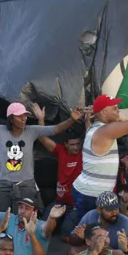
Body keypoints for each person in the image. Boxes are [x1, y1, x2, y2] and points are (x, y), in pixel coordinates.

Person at [31, 102, 85, 243]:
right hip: (59, 202)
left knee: (66, 235)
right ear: (66, 144)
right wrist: (41, 119)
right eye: (72, 144)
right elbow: (42, 137)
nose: (76, 147)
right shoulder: (60, 151)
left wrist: (89, 118)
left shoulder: (83, 154)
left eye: (78, 144)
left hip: (75, 205)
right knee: (41, 228)